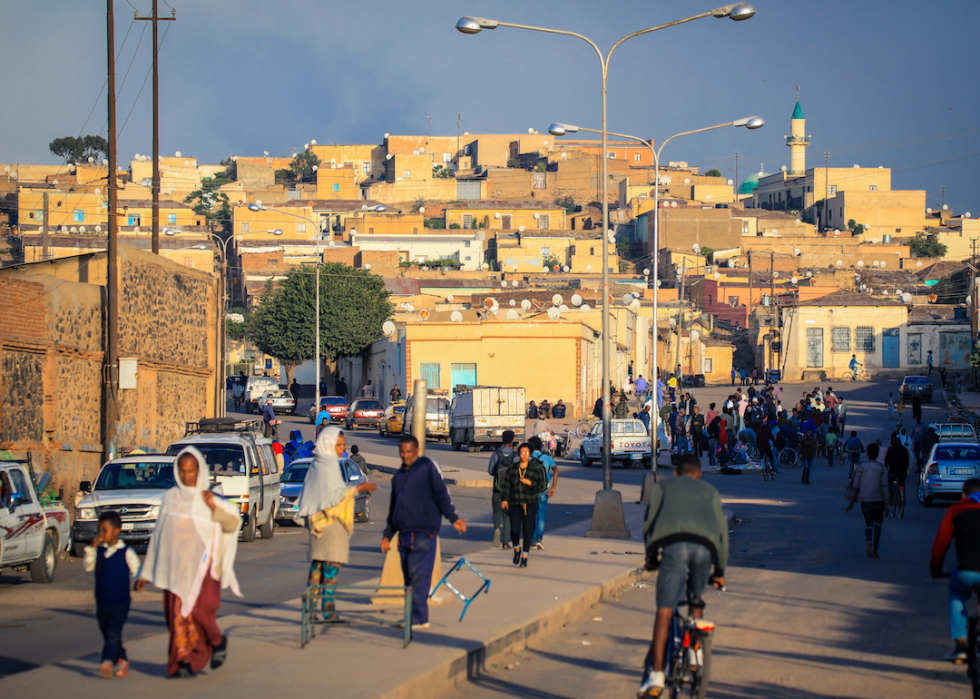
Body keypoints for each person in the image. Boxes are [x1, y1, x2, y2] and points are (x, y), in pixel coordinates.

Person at [136, 447, 242, 678]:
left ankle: (216, 641)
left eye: (191, 471)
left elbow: (233, 524)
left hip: (203, 570)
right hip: (176, 569)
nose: (186, 476)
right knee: (177, 619)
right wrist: (146, 573)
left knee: (201, 614)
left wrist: (213, 508)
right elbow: (160, 535)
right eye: (182, 471)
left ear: (198, 471)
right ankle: (182, 661)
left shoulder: (209, 498)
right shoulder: (171, 499)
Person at [639, 454, 728, 698]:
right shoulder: (709, 490)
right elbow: (722, 532)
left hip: (674, 547)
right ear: (699, 475)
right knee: (696, 597)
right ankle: (694, 652)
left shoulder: (663, 485)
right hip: (705, 548)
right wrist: (719, 571)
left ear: (676, 473)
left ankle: (657, 674)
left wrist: (651, 556)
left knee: (665, 610)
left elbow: (649, 522)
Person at [381, 435, 467, 630]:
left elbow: (441, 496)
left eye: (409, 452)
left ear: (417, 451)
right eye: (402, 452)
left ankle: (419, 618)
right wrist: (387, 535)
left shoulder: (426, 468)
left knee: (419, 576)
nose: (405, 455)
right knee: (409, 578)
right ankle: (414, 616)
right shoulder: (398, 477)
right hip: (403, 536)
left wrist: (454, 519)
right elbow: (394, 509)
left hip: (424, 535)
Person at [296, 428, 378, 621]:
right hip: (330, 524)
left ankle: (311, 609)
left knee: (318, 566)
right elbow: (334, 497)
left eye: (343, 445)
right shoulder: (328, 466)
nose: (342, 449)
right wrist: (359, 488)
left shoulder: (319, 464)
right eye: (338, 445)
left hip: (321, 523)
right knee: (330, 567)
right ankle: (327, 609)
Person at [84, 511, 142, 679]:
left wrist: (139, 580)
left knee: (113, 633)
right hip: (102, 601)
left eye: (105, 531)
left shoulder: (126, 552)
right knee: (107, 632)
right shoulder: (99, 552)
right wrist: (91, 549)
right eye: (99, 531)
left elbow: (137, 568)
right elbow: (88, 567)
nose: (101, 535)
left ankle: (107, 661)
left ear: (117, 531)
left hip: (120, 602)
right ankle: (122, 659)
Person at [930, 478, 980, 662]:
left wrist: (936, 569)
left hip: (967, 571)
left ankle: (960, 644)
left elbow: (940, 545)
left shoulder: (956, 509)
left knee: (956, 591)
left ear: (964, 495)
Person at [500, 443, 546, 568]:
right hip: (514, 503)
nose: (524, 455)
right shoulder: (512, 469)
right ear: (519, 454)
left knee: (527, 530)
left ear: (529, 454)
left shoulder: (534, 470)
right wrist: (504, 500)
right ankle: (516, 549)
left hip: (529, 503)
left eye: (526, 453)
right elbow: (506, 486)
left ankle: (524, 556)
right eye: (522, 452)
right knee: (515, 530)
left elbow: (541, 486)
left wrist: (530, 483)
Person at [845, 443, 890, 559]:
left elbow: (855, 486)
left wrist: (851, 502)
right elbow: (885, 486)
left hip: (866, 501)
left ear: (868, 453)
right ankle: (875, 550)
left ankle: (869, 540)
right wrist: (887, 503)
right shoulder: (882, 468)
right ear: (877, 454)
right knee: (878, 525)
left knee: (868, 524)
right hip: (879, 500)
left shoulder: (861, 466)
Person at [528, 436, 558, 550]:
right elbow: (556, 470)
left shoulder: (527, 458)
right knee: (541, 516)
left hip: (529, 492)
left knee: (530, 516)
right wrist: (553, 487)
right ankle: (538, 539)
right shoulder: (547, 458)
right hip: (543, 490)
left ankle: (531, 540)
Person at [488, 431, 516, 548]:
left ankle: (496, 529)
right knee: (507, 516)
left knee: (497, 513)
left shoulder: (496, 454)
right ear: (512, 441)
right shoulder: (515, 456)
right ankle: (505, 542)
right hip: (510, 492)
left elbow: (490, 471)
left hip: (497, 489)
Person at [885, 437, 910, 513]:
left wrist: (885, 467)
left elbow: (886, 460)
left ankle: (891, 496)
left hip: (892, 471)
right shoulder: (904, 449)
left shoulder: (890, 449)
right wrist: (905, 470)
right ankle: (902, 499)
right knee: (902, 483)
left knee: (889, 482)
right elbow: (907, 461)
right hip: (902, 472)